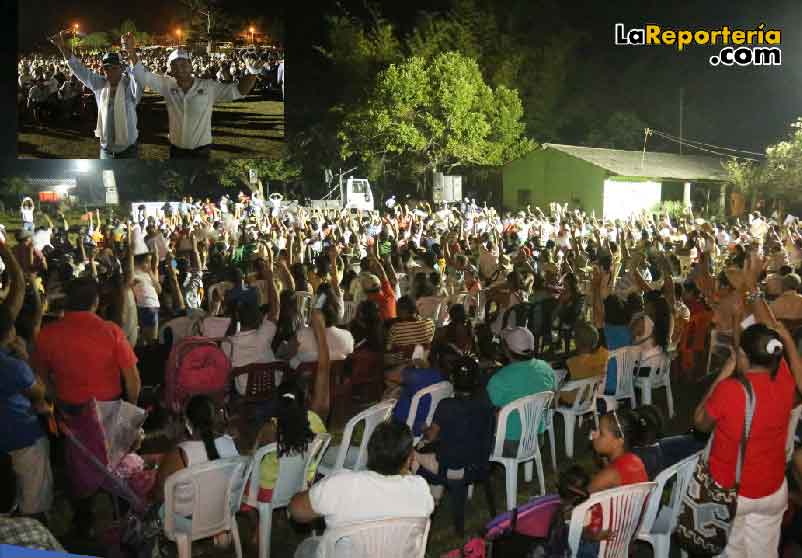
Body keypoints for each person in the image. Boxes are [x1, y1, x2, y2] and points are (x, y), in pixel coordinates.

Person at [693, 304, 802, 558]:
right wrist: (785, 337)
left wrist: (726, 370)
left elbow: (699, 422)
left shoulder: (730, 392)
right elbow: (770, 331)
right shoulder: (785, 380)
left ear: (742, 355)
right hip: (773, 490)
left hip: (735, 494)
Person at [288, 421, 434, 558]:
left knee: (306, 548)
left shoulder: (341, 486)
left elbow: (296, 511)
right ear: (409, 459)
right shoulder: (421, 491)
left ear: (368, 453)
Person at [123, 33, 264, 159]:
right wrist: (131, 50)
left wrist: (253, 72)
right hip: (176, 151)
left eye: (183, 63)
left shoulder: (208, 86)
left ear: (191, 66)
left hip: (201, 153)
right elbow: (141, 75)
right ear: (171, 69)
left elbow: (239, 91)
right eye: (175, 65)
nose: (180, 68)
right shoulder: (167, 85)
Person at [0, 244, 53, 520]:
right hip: (23, 436)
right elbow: (39, 392)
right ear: (9, 331)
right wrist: (24, 358)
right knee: (34, 503)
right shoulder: (13, 365)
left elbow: (17, 287)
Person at [412, 355, 495, 507]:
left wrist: (423, 427)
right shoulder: (485, 400)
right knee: (441, 449)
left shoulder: (446, 406)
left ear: (453, 379)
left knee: (411, 454)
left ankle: (424, 503)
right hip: (479, 462)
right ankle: (435, 497)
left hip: (454, 468)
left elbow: (431, 436)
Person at [50, 32, 142, 158]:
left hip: (129, 151)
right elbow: (78, 68)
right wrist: (61, 46)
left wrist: (131, 50)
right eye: (106, 68)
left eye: (114, 68)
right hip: (106, 151)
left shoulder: (130, 85)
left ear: (121, 68)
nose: (109, 72)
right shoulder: (100, 83)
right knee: (106, 178)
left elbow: (138, 75)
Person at [486, 327, 557, 454]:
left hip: (508, 444)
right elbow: (553, 398)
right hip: (536, 438)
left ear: (508, 351)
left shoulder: (500, 378)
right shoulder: (546, 368)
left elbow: (487, 408)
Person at [559, 322, 609, 405]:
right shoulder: (602, 355)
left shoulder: (573, 362)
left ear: (576, 342)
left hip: (574, 400)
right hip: (592, 398)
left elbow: (565, 383)